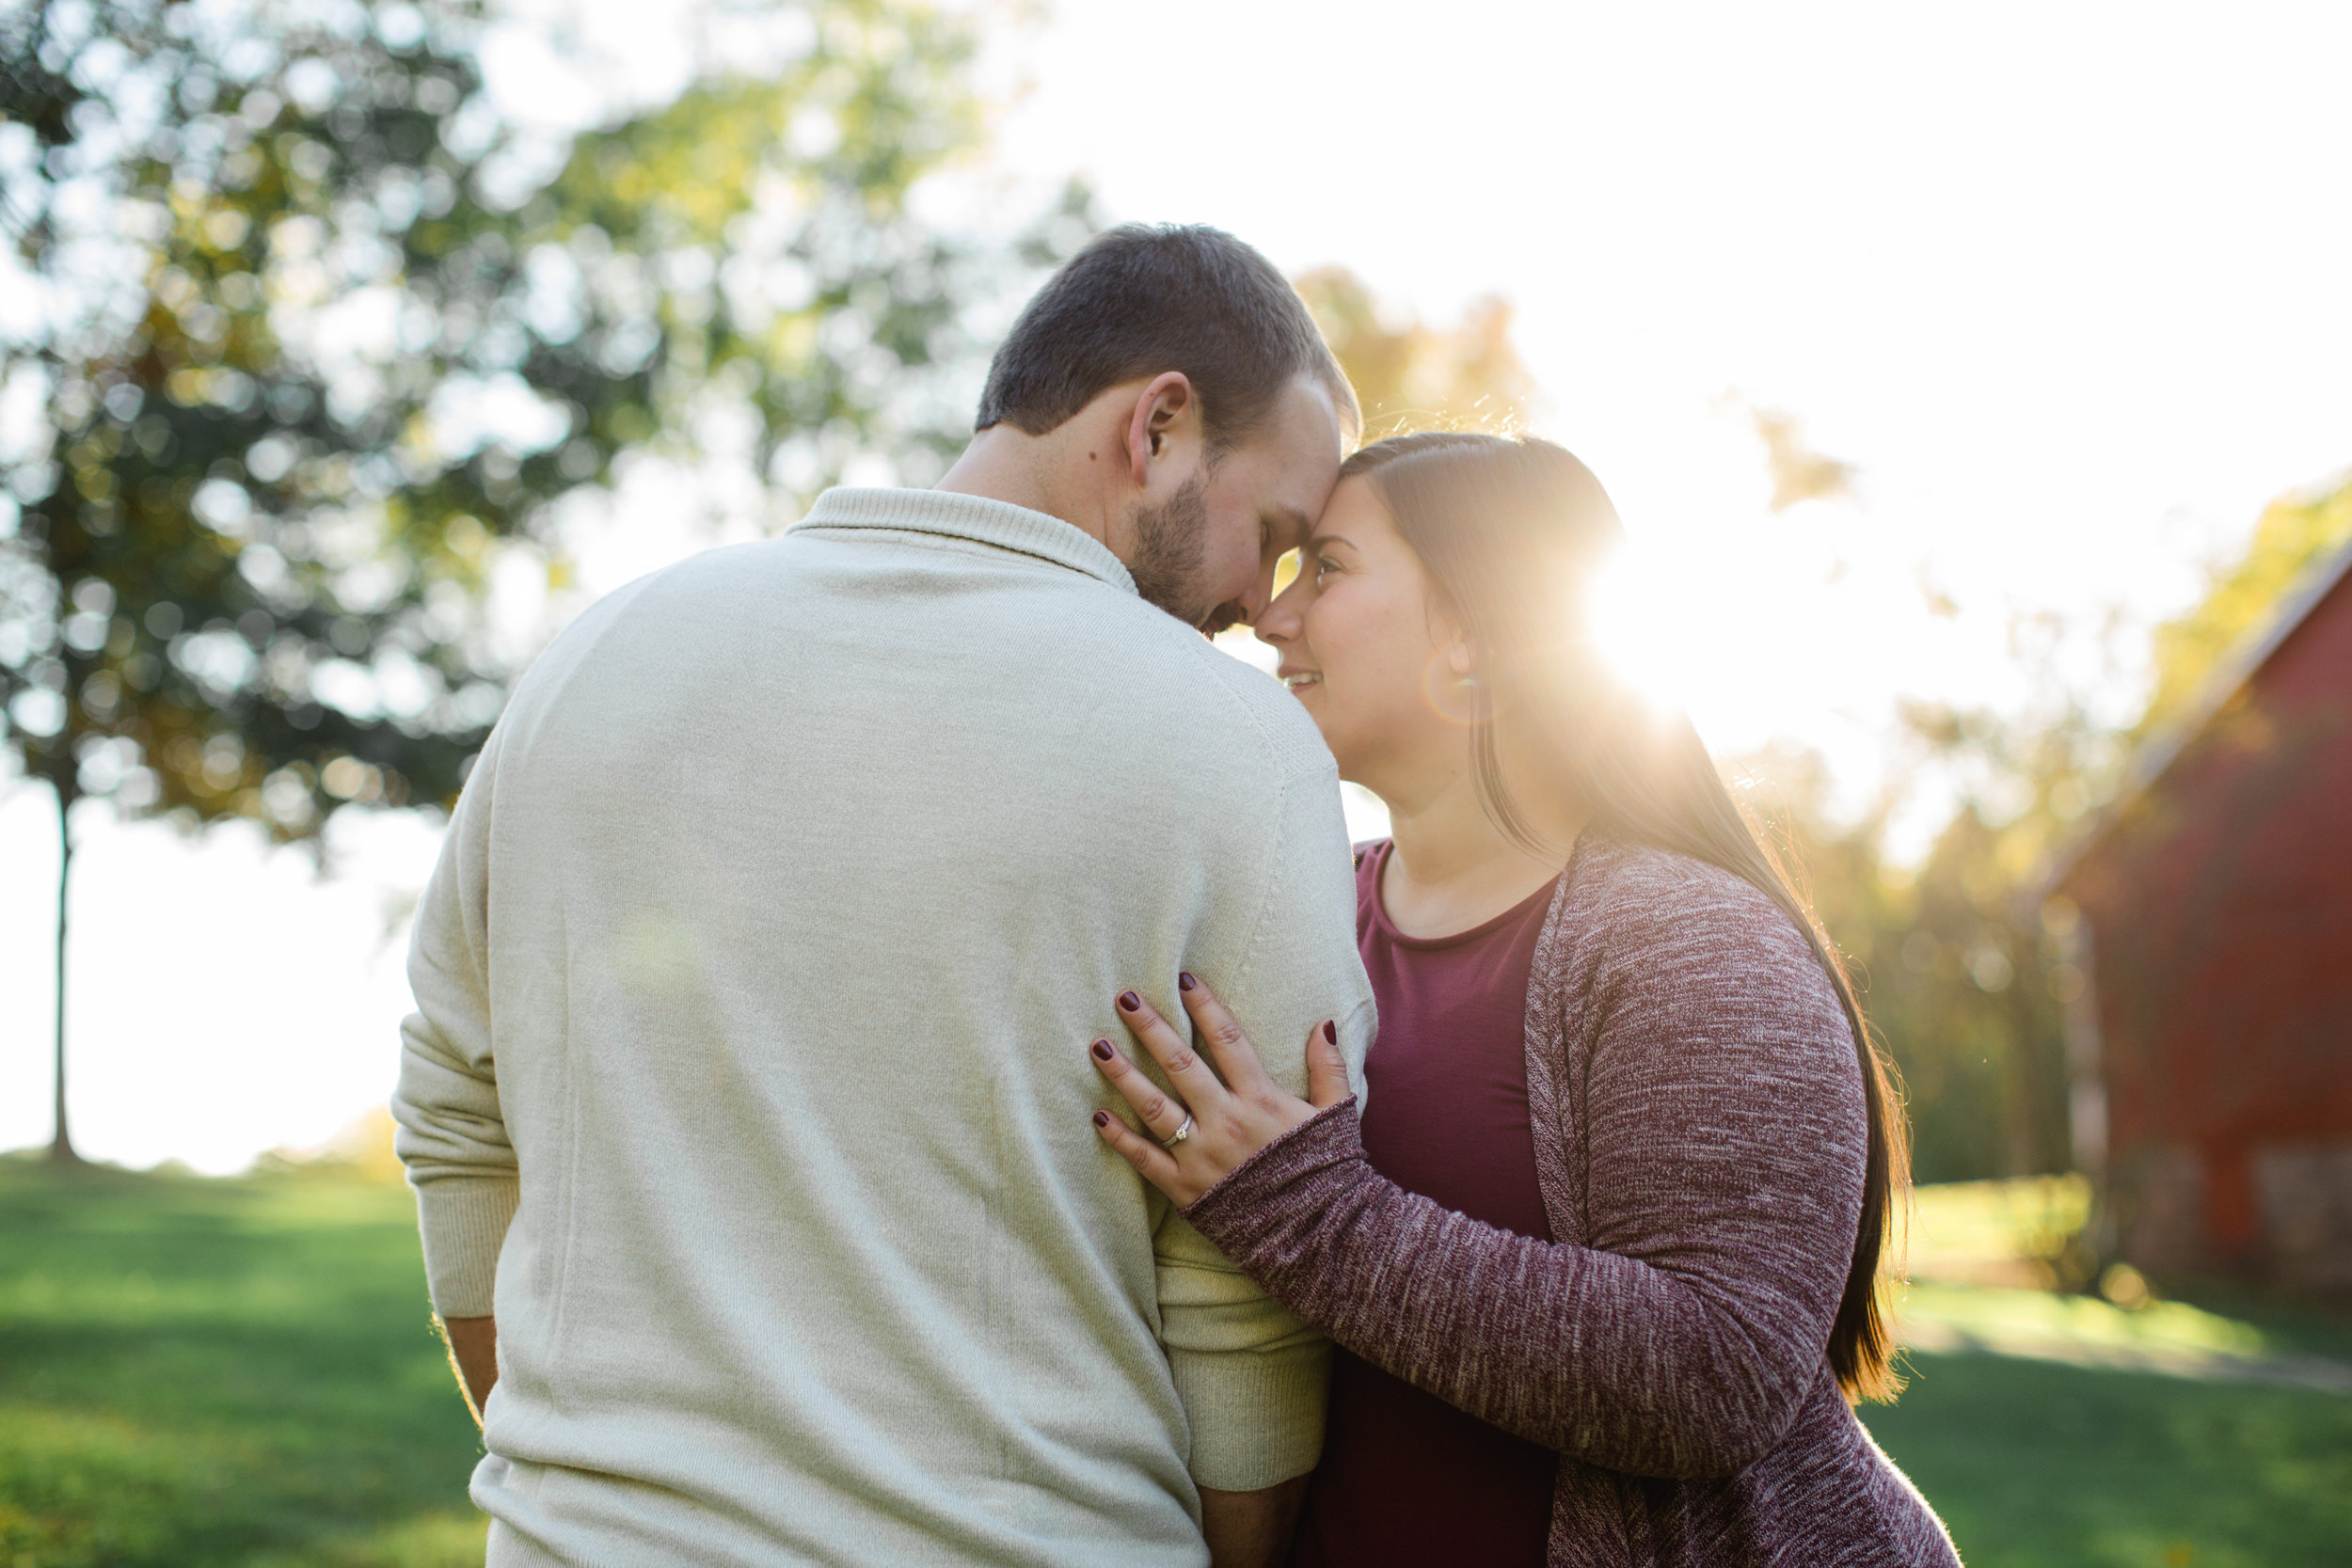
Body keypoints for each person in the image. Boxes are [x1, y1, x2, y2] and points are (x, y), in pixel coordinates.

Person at [390, 225, 1379, 1568]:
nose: (1259, 610)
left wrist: (606, 1497)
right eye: (1269, 539)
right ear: (1159, 424)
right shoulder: (1239, 749)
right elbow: (1246, 1295)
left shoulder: (601, 650)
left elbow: (458, 1110)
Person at [1080, 432, 1964, 1566]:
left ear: (1475, 644)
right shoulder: (1303, 914)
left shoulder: (1688, 943)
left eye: (1331, 568)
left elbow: (1718, 1370)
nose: (1271, 615)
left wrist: (1316, 1218)